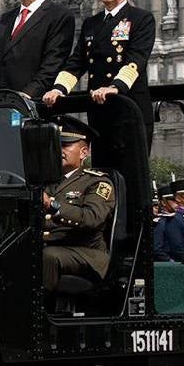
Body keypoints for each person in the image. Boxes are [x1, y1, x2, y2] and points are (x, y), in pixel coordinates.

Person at [43, 0, 156, 145]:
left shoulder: (141, 18)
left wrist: (115, 87)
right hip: (98, 109)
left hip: (129, 107)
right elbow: (76, 63)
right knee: (103, 169)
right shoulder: (91, 24)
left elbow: (136, 60)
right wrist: (59, 89)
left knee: (131, 171)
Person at [42, 117, 115, 292]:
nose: (58, 150)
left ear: (83, 152)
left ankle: (38, 313)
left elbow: (91, 218)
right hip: (50, 246)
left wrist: (52, 205)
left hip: (85, 251)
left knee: (48, 257)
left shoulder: (98, 183)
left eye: (65, 145)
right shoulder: (45, 181)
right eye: (56, 145)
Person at [153, 184, 184, 262]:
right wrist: (170, 261)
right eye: (173, 200)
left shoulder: (180, 217)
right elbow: (157, 249)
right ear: (164, 203)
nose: (177, 203)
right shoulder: (160, 222)